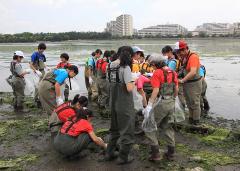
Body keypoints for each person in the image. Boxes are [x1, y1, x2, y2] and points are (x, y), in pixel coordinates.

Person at [143, 55, 178, 162]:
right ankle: (171, 153)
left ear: (155, 64)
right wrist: (173, 99)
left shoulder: (157, 73)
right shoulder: (173, 72)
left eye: (152, 65)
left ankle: (156, 154)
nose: (152, 67)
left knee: (149, 126)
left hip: (161, 103)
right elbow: (176, 88)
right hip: (171, 102)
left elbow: (156, 90)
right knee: (167, 127)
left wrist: (149, 105)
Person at [104, 46, 135, 165]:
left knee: (114, 128)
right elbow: (128, 88)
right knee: (127, 129)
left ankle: (109, 153)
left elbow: (109, 82)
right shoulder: (125, 67)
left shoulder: (110, 65)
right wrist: (134, 81)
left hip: (113, 101)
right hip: (124, 103)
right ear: (129, 55)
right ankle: (123, 157)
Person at [175, 40, 202, 125]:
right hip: (188, 83)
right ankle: (191, 119)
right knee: (189, 102)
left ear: (184, 49)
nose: (179, 54)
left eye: (180, 52)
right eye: (178, 53)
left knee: (195, 103)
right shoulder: (185, 57)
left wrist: (182, 80)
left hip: (194, 83)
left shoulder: (193, 57)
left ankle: (196, 121)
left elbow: (193, 72)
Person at [29, 43, 47, 107]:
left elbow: (43, 63)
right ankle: (35, 99)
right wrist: (35, 71)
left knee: (42, 85)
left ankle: (40, 97)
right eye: (41, 49)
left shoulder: (43, 55)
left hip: (42, 71)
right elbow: (30, 64)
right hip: (36, 72)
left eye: (43, 50)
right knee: (37, 86)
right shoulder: (34, 54)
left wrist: (47, 68)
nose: (42, 51)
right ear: (38, 48)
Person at [96, 50, 111, 115]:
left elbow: (96, 68)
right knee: (105, 94)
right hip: (103, 80)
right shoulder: (105, 63)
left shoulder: (99, 60)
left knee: (100, 93)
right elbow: (105, 72)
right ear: (108, 56)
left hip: (98, 79)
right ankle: (102, 108)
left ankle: (99, 104)